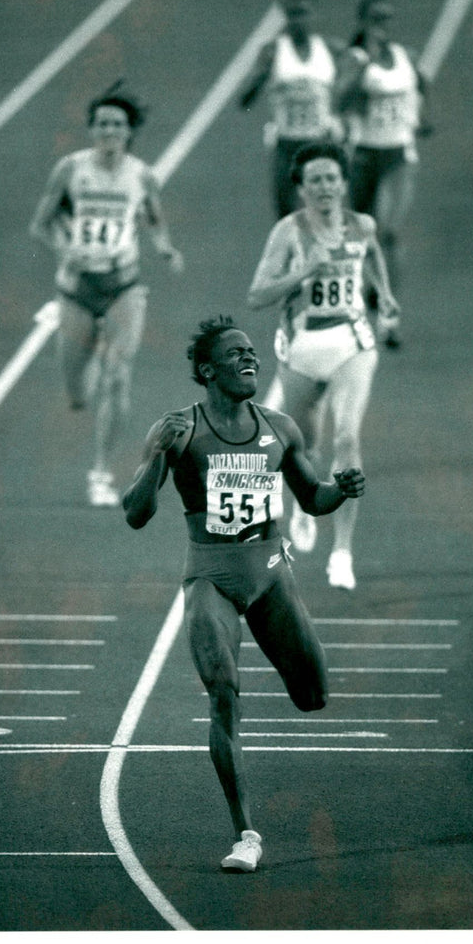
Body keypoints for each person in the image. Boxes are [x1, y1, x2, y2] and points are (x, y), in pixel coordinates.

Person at [122, 316, 365, 872]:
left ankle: (247, 825)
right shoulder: (178, 428)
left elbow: (312, 498)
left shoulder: (279, 428)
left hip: (271, 570)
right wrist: (158, 458)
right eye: (236, 354)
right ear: (208, 371)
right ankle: (245, 833)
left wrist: (340, 491)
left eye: (253, 352)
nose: (250, 359)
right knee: (224, 693)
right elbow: (136, 514)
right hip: (211, 576)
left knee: (313, 696)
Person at [246, 142, 398, 588]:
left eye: (332, 178)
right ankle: (301, 506)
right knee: (305, 448)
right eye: (315, 180)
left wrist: (384, 294)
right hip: (302, 348)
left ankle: (343, 552)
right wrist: (302, 273)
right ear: (301, 187)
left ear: (344, 182)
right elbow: (256, 295)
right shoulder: (288, 232)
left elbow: (371, 256)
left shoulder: (361, 225)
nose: (325, 187)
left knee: (347, 438)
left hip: (353, 343)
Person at [30, 81, 184, 507]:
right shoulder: (71, 170)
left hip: (123, 285)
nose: (109, 129)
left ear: (129, 130)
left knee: (118, 377)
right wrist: (66, 251)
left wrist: (164, 247)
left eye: (117, 123)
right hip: (77, 288)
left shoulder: (142, 175)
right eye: (101, 123)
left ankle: (101, 471)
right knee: (78, 393)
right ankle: (73, 346)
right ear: (92, 128)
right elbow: (40, 225)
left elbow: (154, 219)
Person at [336, 0, 430, 347]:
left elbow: (421, 84)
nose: (383, 25)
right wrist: (362, 70)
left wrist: (422, 119)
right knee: (362, 236)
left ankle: (389, 317)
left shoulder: (405, 56)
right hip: (363, 155)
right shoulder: (355, 59)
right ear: (362, 22)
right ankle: (361, 302)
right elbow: (339, 101)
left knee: (388, 232)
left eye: (388, 18)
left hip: (397, 155)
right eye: (375, 18)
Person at [238, 0, 347, 219]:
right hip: (286, 146)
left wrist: (342, 118)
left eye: (303, 13)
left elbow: (358, 82)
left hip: (321, 144)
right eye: (293, 14)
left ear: (313, 14)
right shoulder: (273, 51)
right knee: (286, 218)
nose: (298, 20)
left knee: (321, 216)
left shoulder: (331, 48)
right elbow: (244, 100)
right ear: (285, 17)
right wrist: (259, 76)